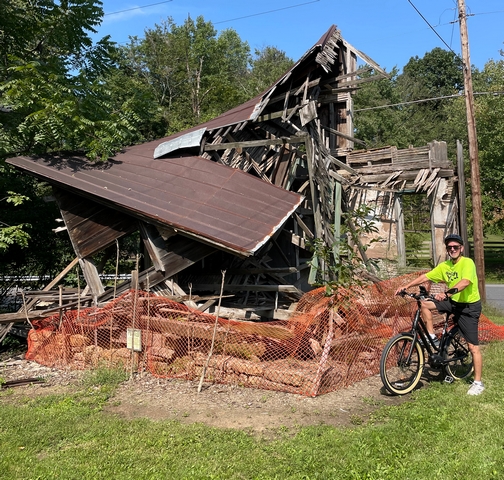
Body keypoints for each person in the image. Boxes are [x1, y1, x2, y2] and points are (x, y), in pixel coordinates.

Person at [395, 233, 484, 396]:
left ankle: (478, 382)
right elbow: (425, 276)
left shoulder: (467, 263)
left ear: (461, 248)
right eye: (449, 247)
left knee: (473, 346)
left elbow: (465, 282)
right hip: (453, 302)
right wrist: (405, 286)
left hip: (468, 307)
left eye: (455, 247)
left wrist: (447, 293)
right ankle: (432, 336)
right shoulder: (445, 266)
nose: (452, 249)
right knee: (424, 304)